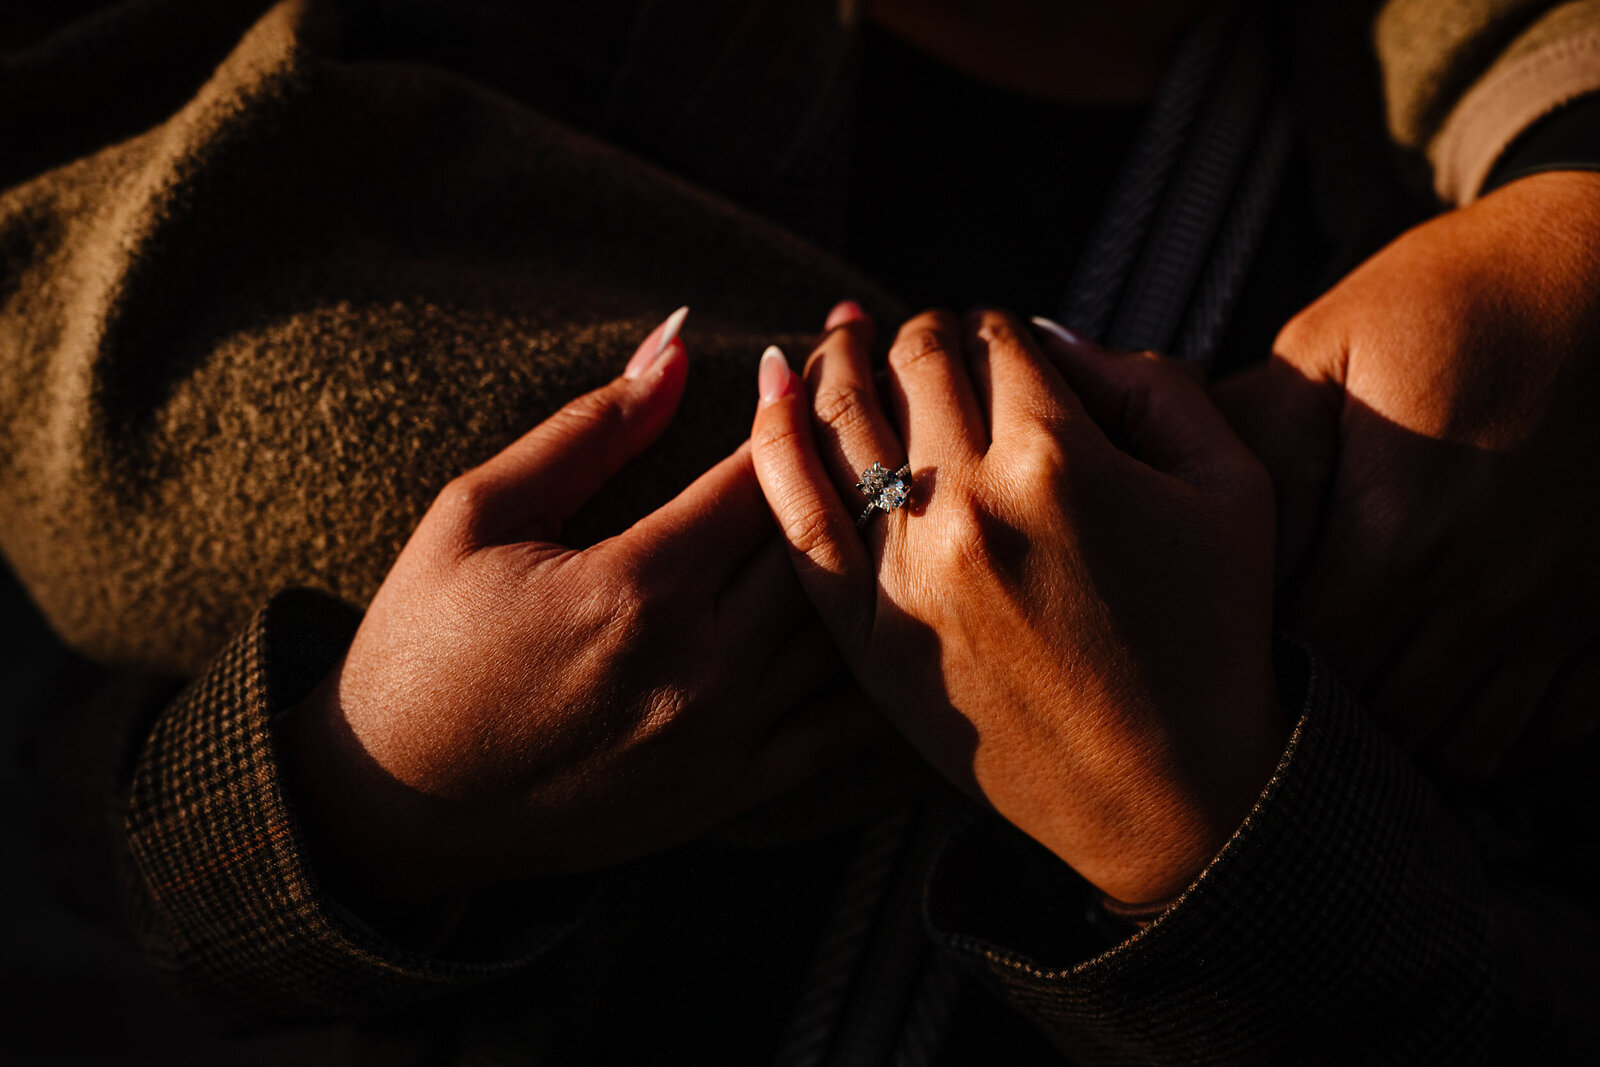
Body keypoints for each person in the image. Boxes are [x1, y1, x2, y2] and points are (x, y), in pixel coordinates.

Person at [3, 0, 1599, 1061]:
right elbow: (87, 832)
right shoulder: (409, 104)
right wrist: (371, 795)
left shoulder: (1451, 268)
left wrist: (1193, 829)